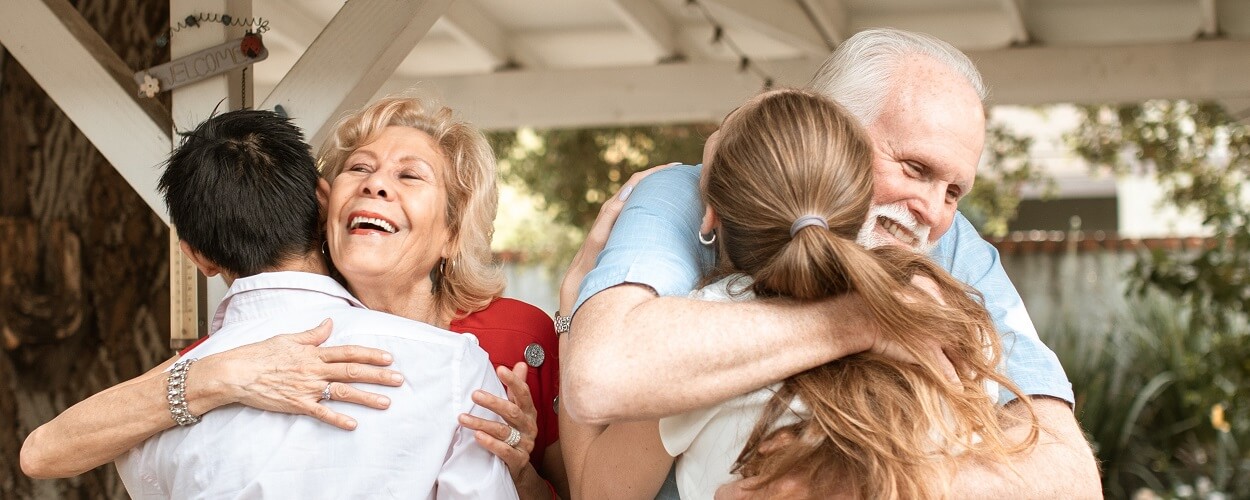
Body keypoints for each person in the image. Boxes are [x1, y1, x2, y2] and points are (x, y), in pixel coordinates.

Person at [559, 29, 1100, 498]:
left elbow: (1070, 478)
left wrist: (856, 487)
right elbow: (601, 376)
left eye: (955, 191)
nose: (934, 212)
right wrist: (865, 320)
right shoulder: (683, 195)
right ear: (829, 127)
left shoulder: (955, 254)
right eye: (914, 168)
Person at [21, 97, 565, 500]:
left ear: (453, 231)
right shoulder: (242, 357)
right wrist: (222, 374)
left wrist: (519, 474)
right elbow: (45, 450)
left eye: (409, 175)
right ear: (324, 205)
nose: (377, 185)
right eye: (360, 168)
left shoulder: (518, 340)